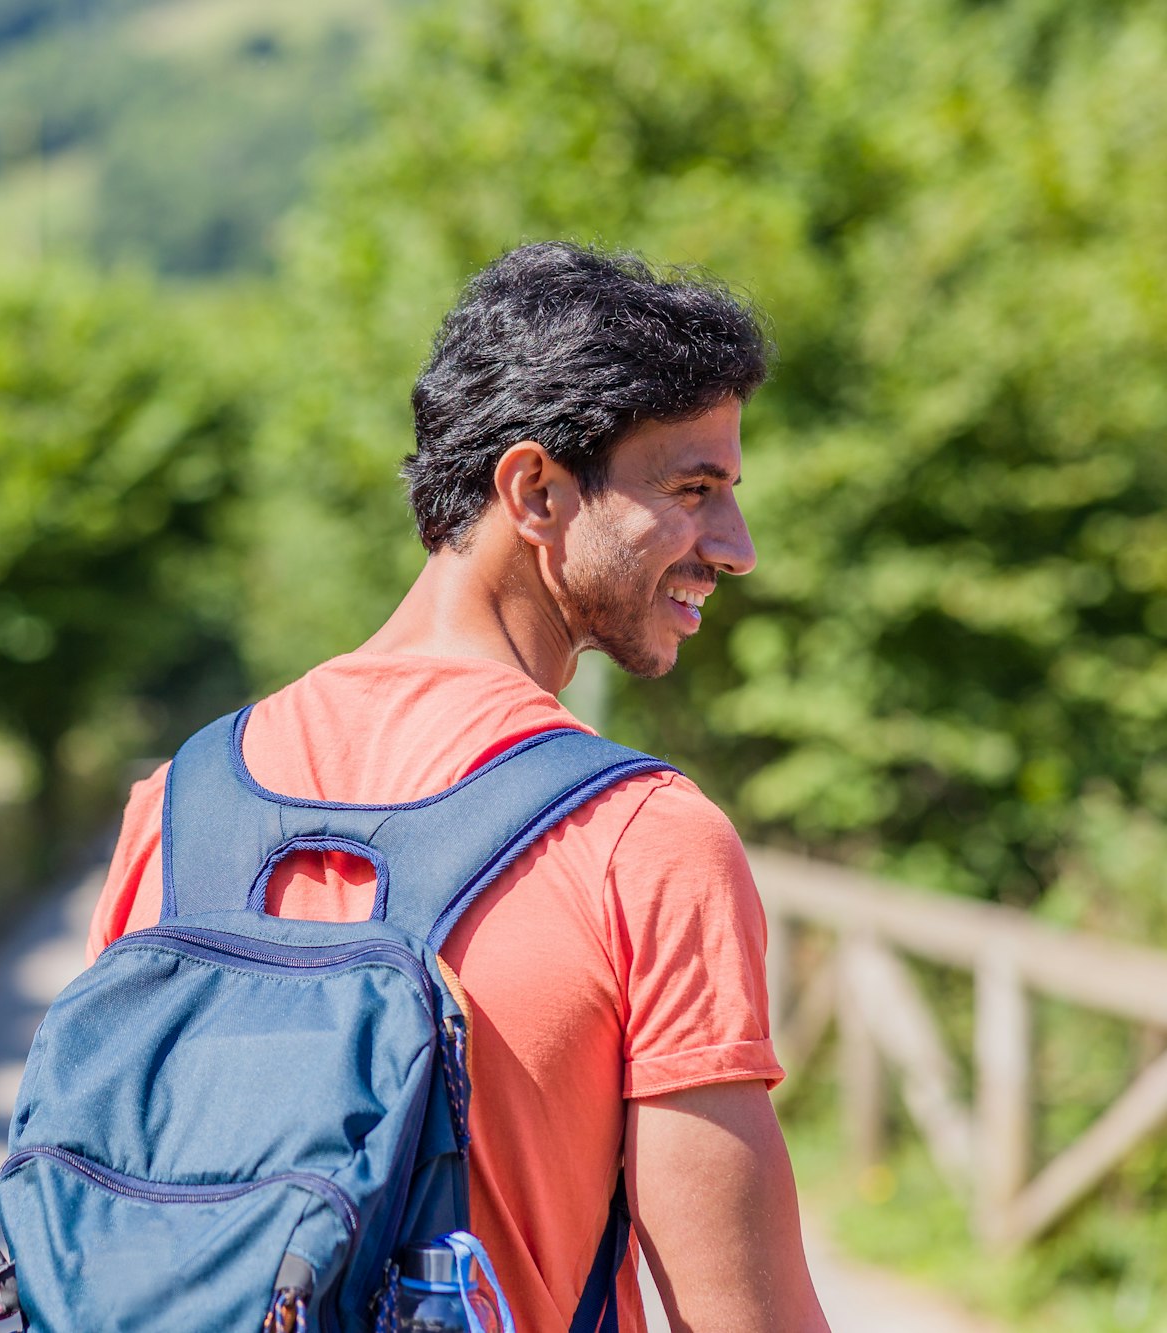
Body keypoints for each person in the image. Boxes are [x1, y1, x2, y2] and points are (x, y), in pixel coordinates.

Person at [88, 243, 832, 1330]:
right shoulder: (641, 839)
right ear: (533, 488)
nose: (736, 546)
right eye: (692, 488)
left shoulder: (177, 804)